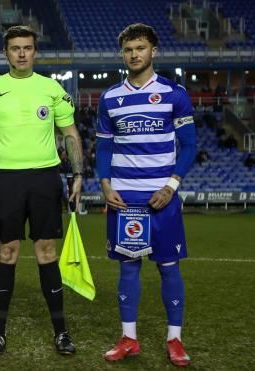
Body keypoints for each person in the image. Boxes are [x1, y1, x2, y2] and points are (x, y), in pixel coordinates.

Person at [0, 25, 82, 356]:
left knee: (46, 252)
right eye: (15, 48)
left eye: (28, 47)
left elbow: (70, 132)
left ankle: (61, 331)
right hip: (6, 179)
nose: (22, 53)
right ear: (6, 53)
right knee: (7, 252)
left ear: (35, 51)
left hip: (45, 178)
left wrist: (78, 172)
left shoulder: (52, 88)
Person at [96, 23, 196, 367]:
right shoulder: (110, 97)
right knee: (128, 270)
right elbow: (103, 148)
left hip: (163, 199)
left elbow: (190, 145)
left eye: (140, 48)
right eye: (128, 49)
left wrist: (172, 185)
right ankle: (128, 338)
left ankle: (175, 340)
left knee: (169, 268)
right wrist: (106, 185)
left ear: (154, 51)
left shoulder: (174, 93)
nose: (134, 55)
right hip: (125, 201)